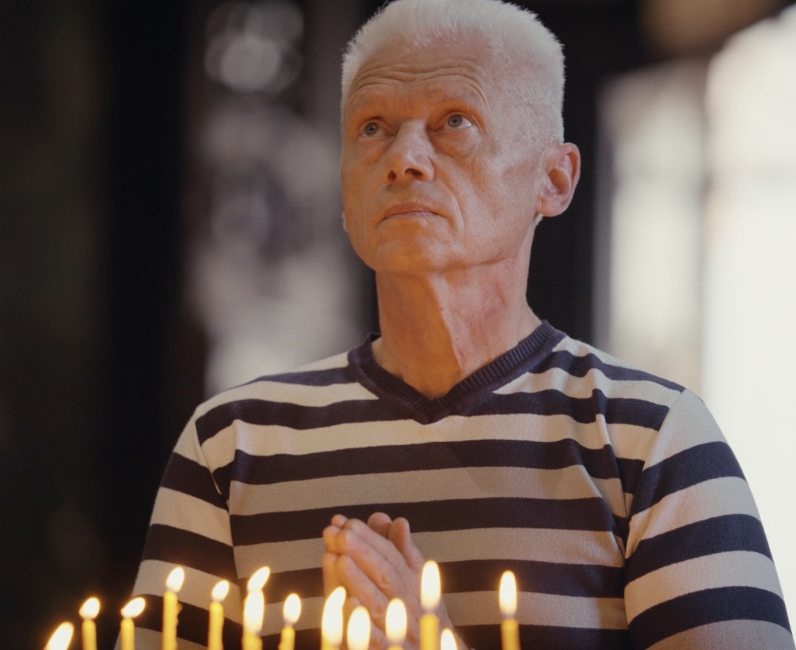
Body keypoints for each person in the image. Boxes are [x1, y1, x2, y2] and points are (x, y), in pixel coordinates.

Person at [126, 0, 794, 648]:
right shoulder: (233, 446)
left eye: (453, 122)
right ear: (343, 190)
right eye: (372, 128)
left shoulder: (653, 443)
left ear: (554, 180)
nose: (403, 157)